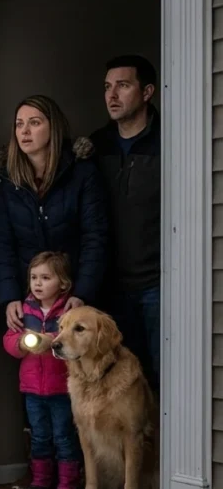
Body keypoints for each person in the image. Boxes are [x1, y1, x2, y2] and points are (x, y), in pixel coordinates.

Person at [0, 94, 108, 331]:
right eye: (19, 124)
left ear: (53, 127)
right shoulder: (8, 180)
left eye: (34, 122)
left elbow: (95, 238)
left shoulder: (81, 172)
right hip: (30, 298)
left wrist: (82, 293)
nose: (25, 131)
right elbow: (4, 244)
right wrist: (10, 297)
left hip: (74, 294)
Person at [88, 54, 160, 394]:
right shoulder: (93, 147)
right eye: (107, 87)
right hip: (110, 290)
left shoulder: (170, 143)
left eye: (123, 85)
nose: (111, 95)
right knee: (116, 387)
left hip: (157, 286)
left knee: (160, 380)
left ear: (147, 92)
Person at [3, 251, 82, 489]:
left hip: (62, 389)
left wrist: (50, 340)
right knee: (39, 437)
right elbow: (10, 338)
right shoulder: (24, 311)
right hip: (32, 389)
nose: (38, 283)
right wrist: (19, 343)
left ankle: (68, 482)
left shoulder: (68, 313)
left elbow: (75, 342)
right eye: (34, 277)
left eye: (46, 278)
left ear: (63, 283)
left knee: (64, 437)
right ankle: (41, 481)